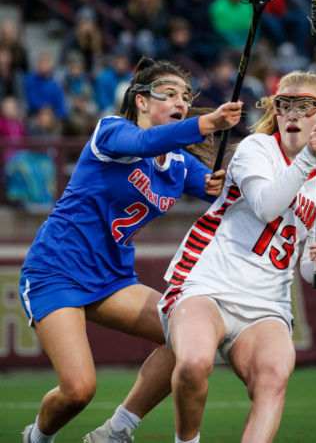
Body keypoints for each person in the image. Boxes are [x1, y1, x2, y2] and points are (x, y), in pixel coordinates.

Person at [83, 70, 316, 443]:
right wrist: (307, 159)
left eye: (306, 105)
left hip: (267, 304)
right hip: (208, 282)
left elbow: (307, 269)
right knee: (191, 363)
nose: (293, 113)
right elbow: (267, 206)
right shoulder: (257, 149)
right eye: (284, 104)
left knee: (273, 381)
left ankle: (117, 429)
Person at [20, 57, 243, 443]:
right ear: (141, 101)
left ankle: (116, 431)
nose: (182, 102)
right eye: (169, 94)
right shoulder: (112, 131)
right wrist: (208, 123)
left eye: (185, 97)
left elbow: (230, 198)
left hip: (113, 280)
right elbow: (143, 143)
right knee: (78, 392)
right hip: (56, 270)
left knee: (188, 338)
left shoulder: (180, 166)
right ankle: (36, 438)